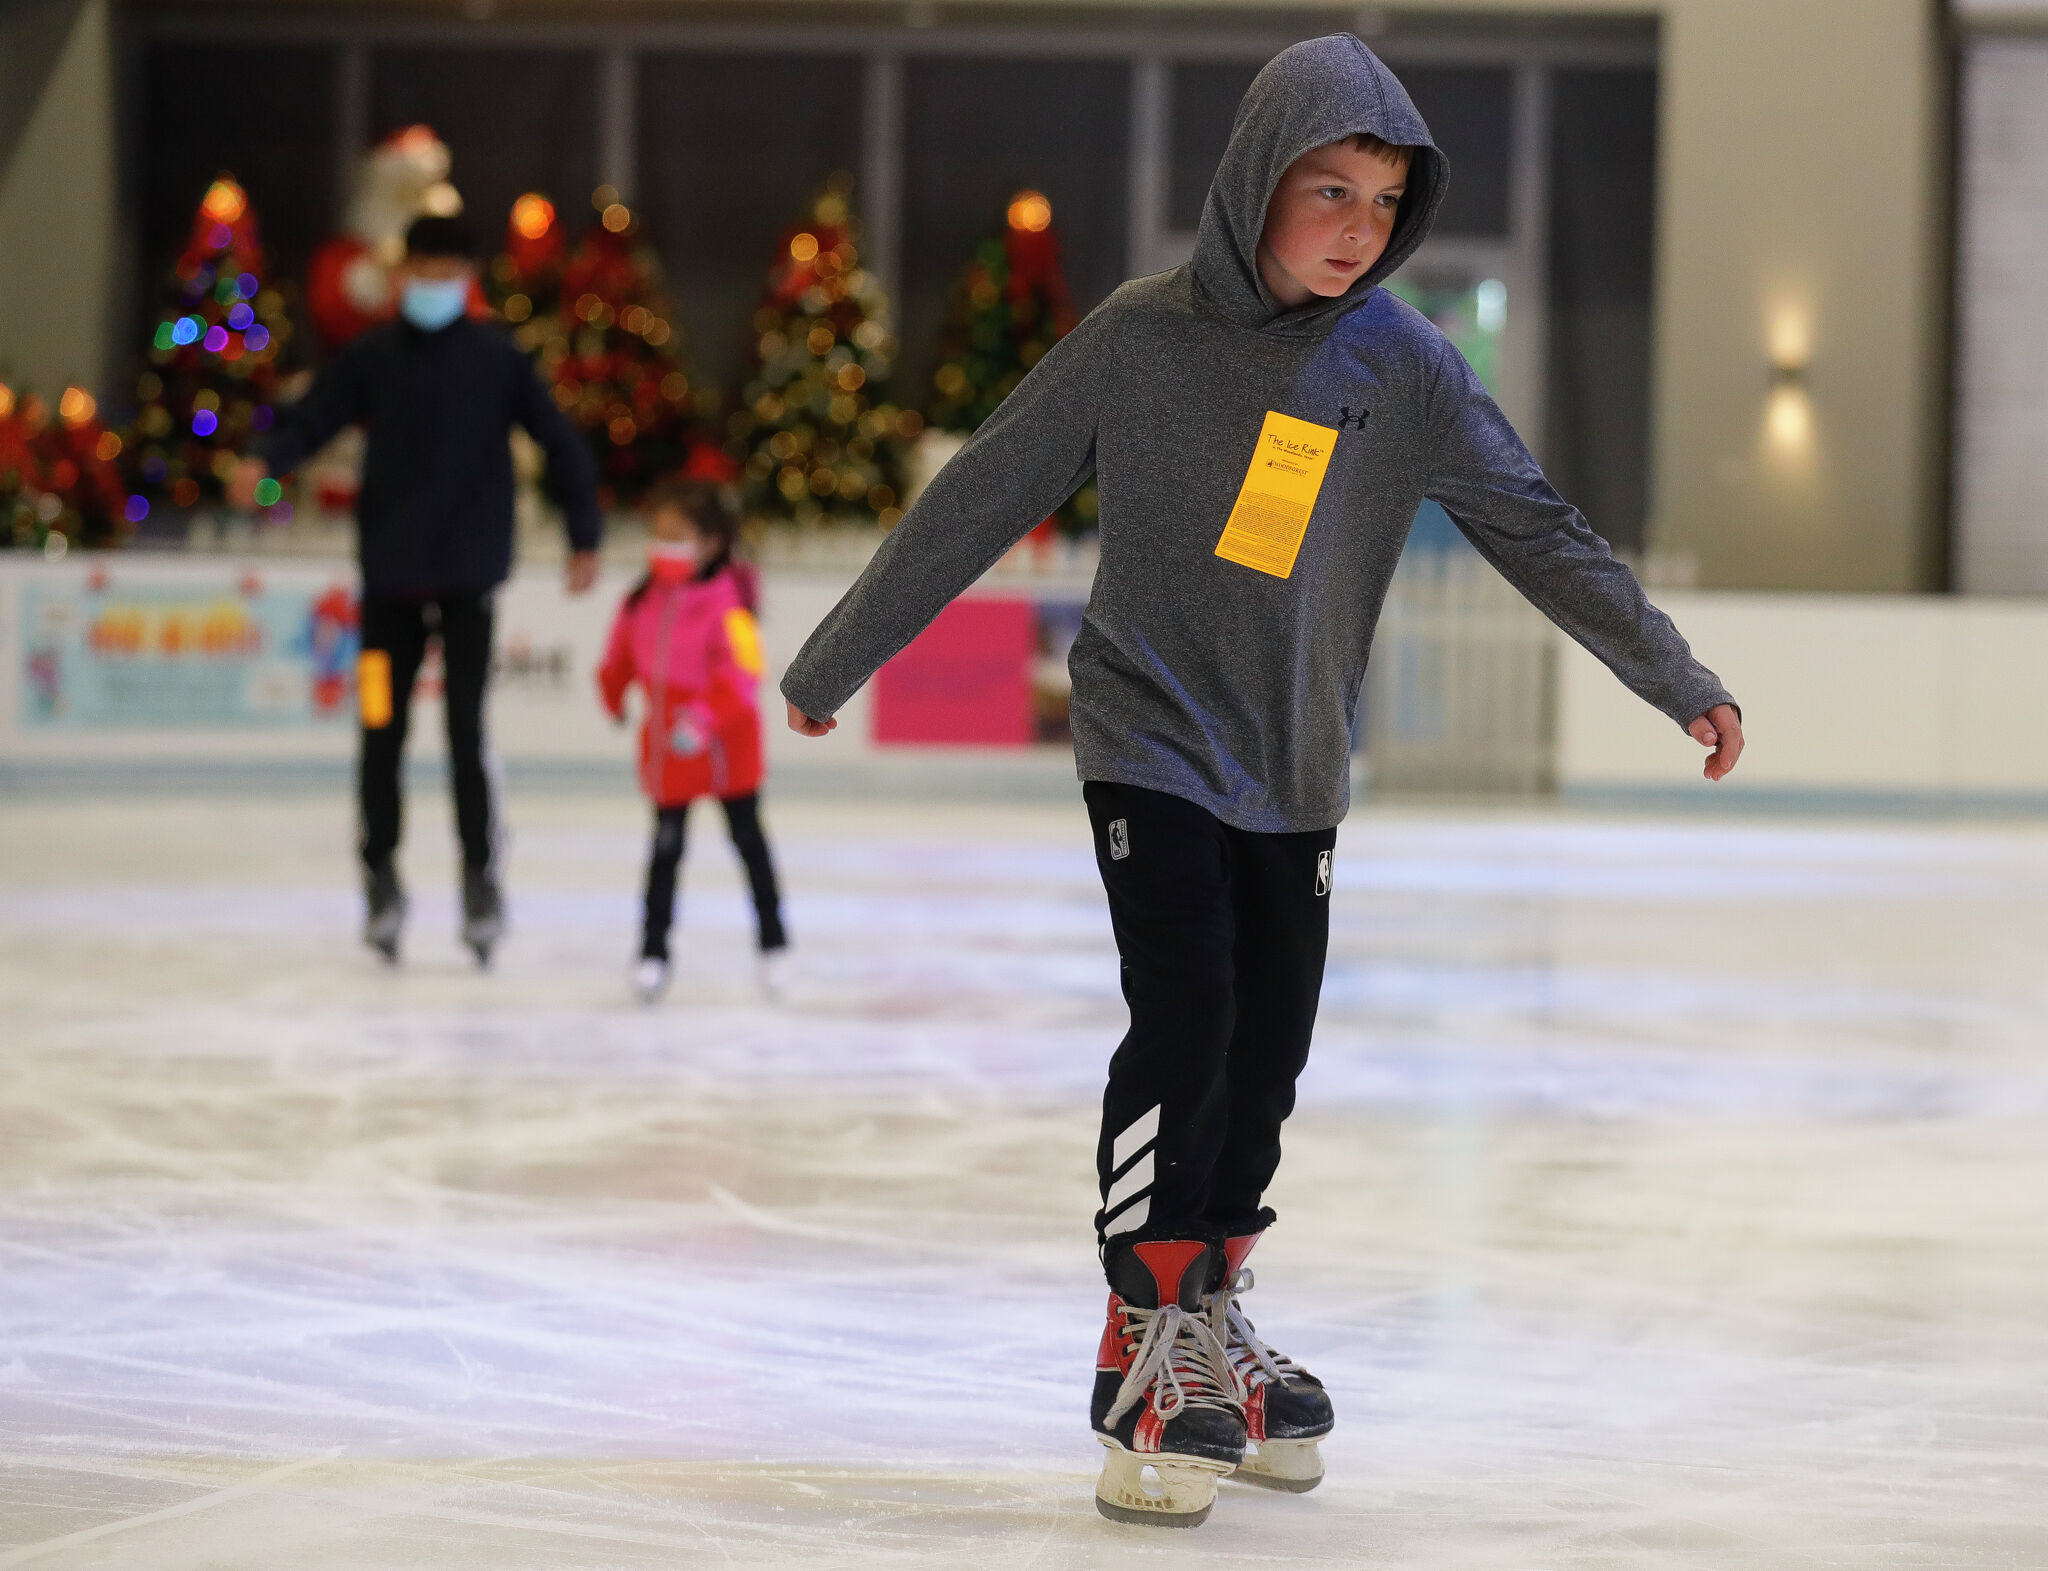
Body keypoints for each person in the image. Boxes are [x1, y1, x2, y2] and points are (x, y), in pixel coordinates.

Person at [778, 34, 1745, 1528]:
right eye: (1330, 189)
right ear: (1253, 186)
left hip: (1293, 763)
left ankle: (1211, 1308)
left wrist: (1675, 674)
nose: (1360, 226)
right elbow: (982, 490)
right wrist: (836, 660)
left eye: (1386, 199)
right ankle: (1140, 1341)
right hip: (1149, 738)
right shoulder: (1136, 338)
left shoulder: (1405, 367)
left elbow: (1540, 528)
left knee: (1268, 1050)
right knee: (1190, 1013)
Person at [234, 214, 603, 967]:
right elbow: (314, 418)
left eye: (445, 270)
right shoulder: (372, 356)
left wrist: (585, 532)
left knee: (467, 733)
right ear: (402, 273)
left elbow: (557, 441)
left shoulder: (498, 359)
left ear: (466, 276)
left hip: (468, 582)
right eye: (420, 269)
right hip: (390, 586)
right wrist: (267, 461)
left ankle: (480, 880)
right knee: (380, 732)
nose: (430, 283)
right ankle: (381, 881)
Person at [597, 481, 787, 1004]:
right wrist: (613, 691)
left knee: (748, 842)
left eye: (676, 536)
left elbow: (746, 673)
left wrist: (705, 717)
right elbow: (619, 657)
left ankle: (773, 944)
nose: (663, 547)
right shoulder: (641, 601)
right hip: (669, 750)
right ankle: (652, 953)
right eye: (659, 536)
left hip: (728, 744)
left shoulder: (732, 605)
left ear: (711, 543)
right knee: (665, 850)